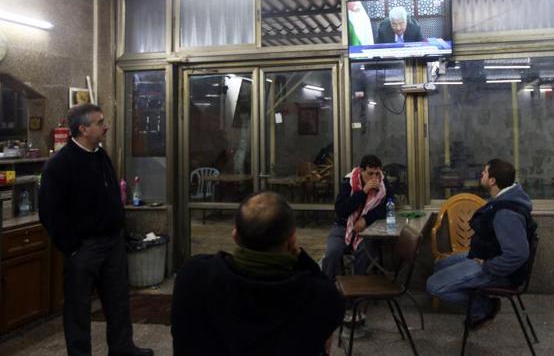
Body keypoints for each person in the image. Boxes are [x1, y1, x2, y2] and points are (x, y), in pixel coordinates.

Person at [39, 104, 153, 356]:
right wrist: (73, 247)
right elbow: (49, 212)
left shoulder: (100, 155)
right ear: (83, 128)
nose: (106, 126)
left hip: (112, 242)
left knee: (118, 301)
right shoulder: (60, 164)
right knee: (78, 309)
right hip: (84, 248)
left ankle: (123, 348)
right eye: (100, 122)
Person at [171, 191, 345, 356]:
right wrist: (300, 256)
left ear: (235, 236)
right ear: (292, 240)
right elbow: (331, 297)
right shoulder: (318, 297)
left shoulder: (193, 276)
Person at [426, 158, 535, 329]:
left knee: (433, 286)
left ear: (492, 181)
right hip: (488, 256)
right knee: (440, 265)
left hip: (499, 271)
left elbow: (517, 254)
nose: (481, 175)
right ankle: (475, 293)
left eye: (484, 172)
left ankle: (484, 306)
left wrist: (488, 266)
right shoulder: (505, 198)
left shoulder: (506, 213)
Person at [322, 154, 394, 281]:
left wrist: (366, 219)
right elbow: (341, 210)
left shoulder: (384, 184)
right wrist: (363, 192)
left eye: (377, 174)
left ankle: (357, 289)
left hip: (366, 229)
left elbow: (388, 208)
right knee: (332, 254)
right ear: (361, 171)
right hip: (343, 225)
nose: (375, 178)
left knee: (364, 253)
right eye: (370, 174)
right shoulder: (348, 183)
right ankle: (328, 287)